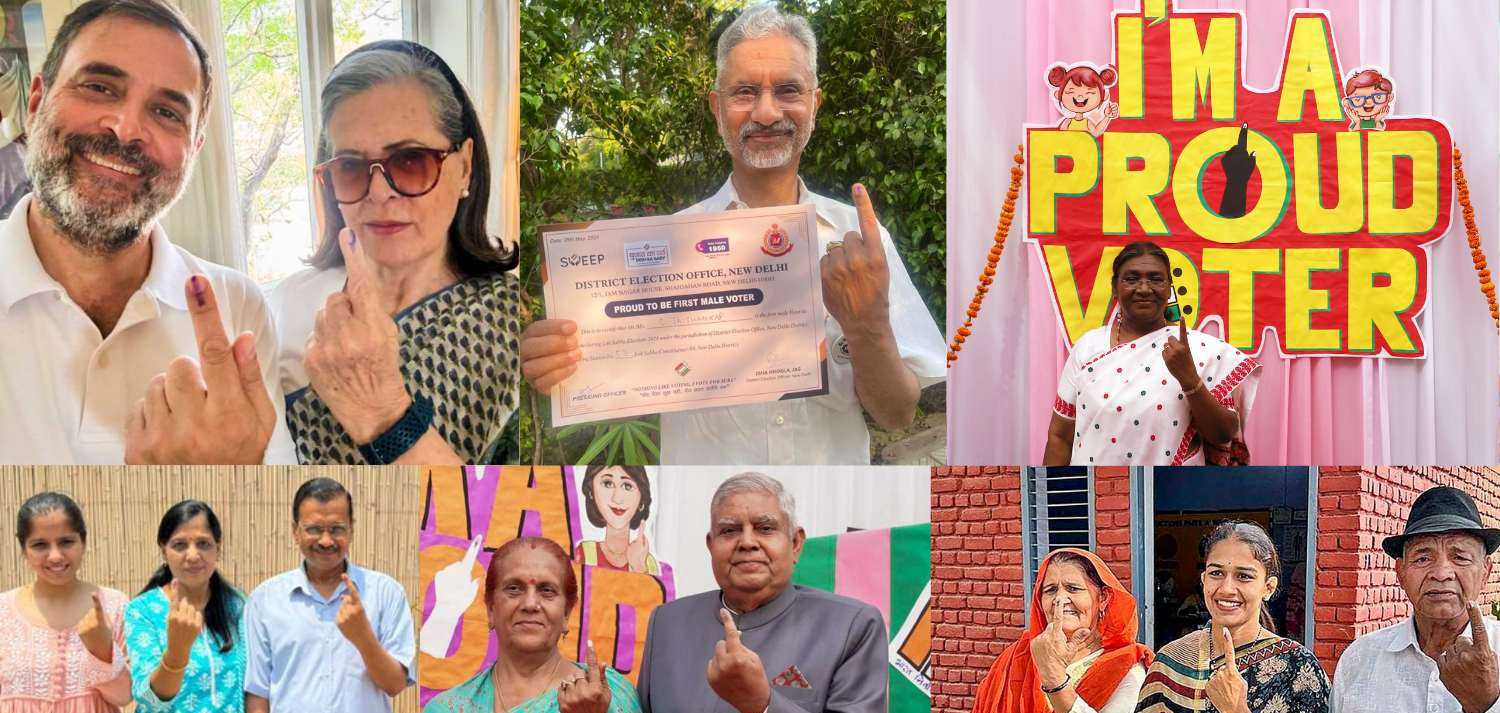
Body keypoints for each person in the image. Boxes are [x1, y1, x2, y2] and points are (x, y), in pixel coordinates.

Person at [518, 3, 945, 465]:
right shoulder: (666, 248)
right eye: (744, 92)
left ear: (814, 104)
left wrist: (868, 327)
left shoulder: (859, 244)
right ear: (716, 106)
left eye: (787, 90)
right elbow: (602, 366)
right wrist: (560, 361)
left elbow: (898, 414)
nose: (765, 112)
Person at [0, 0, 290, 465]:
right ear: (36, 103)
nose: (127, 128)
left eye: (167, 112)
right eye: (98, 86)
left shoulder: (238, 308)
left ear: (194, 149)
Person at [270, 40, 520, 465]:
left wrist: (384, 416)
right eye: (350, 167)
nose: (380, 193)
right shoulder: (280, 310)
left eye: (410, 161)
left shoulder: (513, 319)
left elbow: (496, 517)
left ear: (465, 167)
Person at [637, 471, 887, 713]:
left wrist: (761, 706)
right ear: (711, 545)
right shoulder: (668, 623)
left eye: (765, 528)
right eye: (729, 530)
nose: (747, 542)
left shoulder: (851, 626)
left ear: (795, 543)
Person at [421, 536, 658, 713]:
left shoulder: (605, 697)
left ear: (567, 613)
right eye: (514, 589)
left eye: (547, 590)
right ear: (490, 609)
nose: (530, 604)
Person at [1127, 521, 1328, 713]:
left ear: (1268, 587)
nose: (1226, 588)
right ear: (1203, 580)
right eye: (1216, 573)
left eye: (1244, 576)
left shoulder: (1297, 667)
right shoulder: (1171, 661)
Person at [1322, 485, 1500, 713]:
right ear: (1401, 573)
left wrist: (1486, 706)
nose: (1442, 572)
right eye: (1422, 558)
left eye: (1459, 556)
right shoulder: (1360, 659)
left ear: (1485, 572)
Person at [243, 477, 415, 713]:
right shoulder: (265, 601)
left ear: (351, 529)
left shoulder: (385, 594)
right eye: (313, 529)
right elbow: (257, 695)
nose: (325, 540)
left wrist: (362, 636)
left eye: (336, 529)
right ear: (295, 531)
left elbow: (395, 685)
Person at [1044, 241, 1261, 466]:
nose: (1144, 288)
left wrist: (1189, 378)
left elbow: (1223, 434)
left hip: (1173, 495)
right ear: (1114, 287)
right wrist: (1050, 496)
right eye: (1132, 278)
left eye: (1156, 279)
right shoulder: (1088, 348)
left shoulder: (1197, 350)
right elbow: (1060, 437)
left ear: (1169, 289)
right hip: (1096, 493)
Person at [962, 548, 1152, 713]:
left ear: (1103, 598)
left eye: (1073, 589)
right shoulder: (1017, 659)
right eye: (1050, 590)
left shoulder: (1123, 665)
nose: (1060, 600)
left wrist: (1055, 681)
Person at [0, 492, 130, 713]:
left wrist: (101, 648)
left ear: (83, 542)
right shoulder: (2, 611)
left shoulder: (114, 605)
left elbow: (125, 696)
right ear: (23, 549)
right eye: (40, 545)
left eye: (66, 542)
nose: (55, 556)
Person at [122, 500, 247, 713]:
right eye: (180, 544)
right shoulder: (144, 611)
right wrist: (177, 652)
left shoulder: (240, 608)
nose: (193, 555)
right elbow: (149, 697)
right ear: (163, 550)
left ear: (218, 547)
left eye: (203, 543)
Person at [577, 465, 658, 574]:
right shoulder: (584, 554)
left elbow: (653, 591)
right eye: (608, 484)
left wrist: (639, 568)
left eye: (627, 486)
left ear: (642, 499)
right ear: (591, 492)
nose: (617, 498)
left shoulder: (647, 563)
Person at [1049, 63, 1119, 137]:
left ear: (1104, 96)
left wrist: (1107, 117)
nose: (1080, 96)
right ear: (1058, 94)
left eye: (1089, 92)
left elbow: (1096, 132)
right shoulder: (1067, 121)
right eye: (1070, 92)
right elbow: (1061, 135)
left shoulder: (1087, 122)